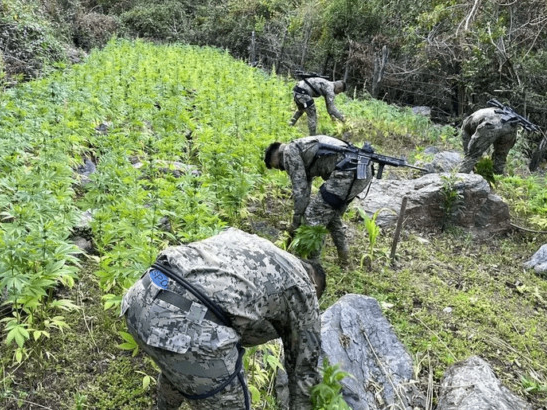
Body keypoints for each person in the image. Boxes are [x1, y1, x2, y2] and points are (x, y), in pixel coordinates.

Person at [122, 228, 326, 410]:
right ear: (314, 287)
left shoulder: (248, 242)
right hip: (190, 322)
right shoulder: (303, 287)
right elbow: (304, 372)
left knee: (179, 360)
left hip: (141, 296)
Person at [264, 135, 372, 265]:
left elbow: (301, 190)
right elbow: (306, 186)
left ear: (277, 155)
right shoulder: (302, 148)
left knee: (313, 215)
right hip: (362, 172)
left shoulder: (289, 152)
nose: (283, 169)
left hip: (347, 173)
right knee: (332, 215)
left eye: (279, 167)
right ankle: (344, 260)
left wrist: (296, 221)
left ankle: (312, 265)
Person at [458, 106, 519, 175]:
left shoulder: (466, 124)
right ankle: (497, 180)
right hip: (511, 127)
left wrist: (471, 154)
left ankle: (461, 178)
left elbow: (468, 149)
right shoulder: (488, 112)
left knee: (472, 155)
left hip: (490, 124)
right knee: (500, 158)